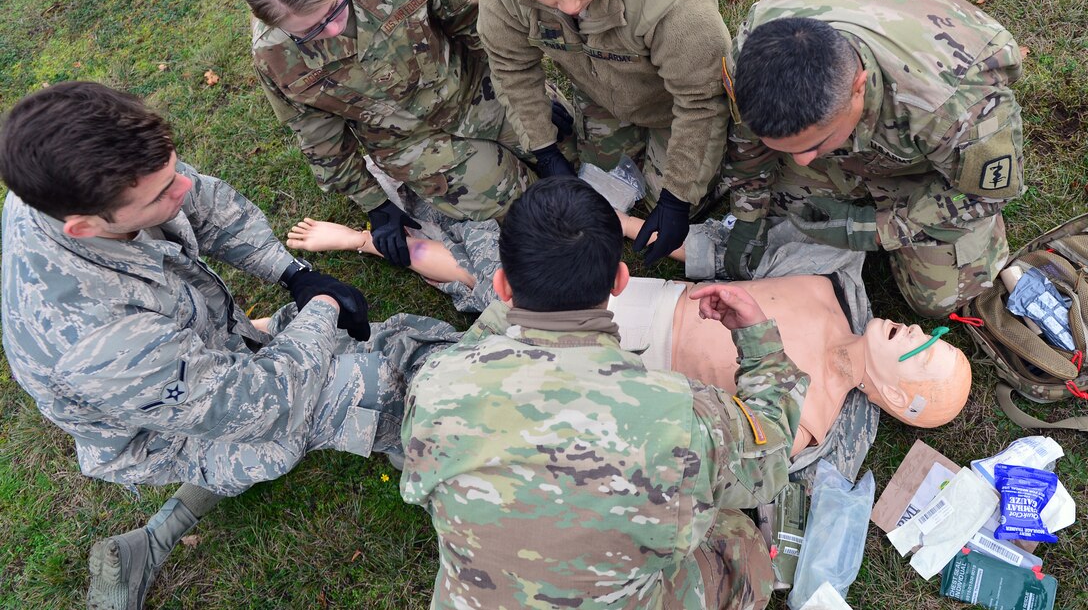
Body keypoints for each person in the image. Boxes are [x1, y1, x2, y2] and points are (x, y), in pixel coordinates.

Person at [0, 83, 459, 610]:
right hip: (159, 433)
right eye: (160, 194)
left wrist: (295, 274)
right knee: (365, 386)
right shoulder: (96, 342)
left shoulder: (77, 169)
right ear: (84, 228)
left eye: (174, 169)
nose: (181, 189)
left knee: (336, 348)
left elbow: (209, 207)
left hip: (194, 356)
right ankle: (436, 454)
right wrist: (323, 309)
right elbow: (264, 401)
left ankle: (157, 536)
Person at [399, 177, 807, 609]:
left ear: (501, 288)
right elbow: (769, 463)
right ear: (620, 280)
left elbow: (472, 354)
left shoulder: (435, 384)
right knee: (737, 540)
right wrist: (758, 342)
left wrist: (526, 293)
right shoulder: (684, 417)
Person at [288, 217, 972, 457]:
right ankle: (356, 244)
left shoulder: (805, 419)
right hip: (642, 300)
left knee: (454, 370)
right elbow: (713, 249)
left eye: (920, 349)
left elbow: (682, 437)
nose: (913, 329)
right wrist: (621, 220)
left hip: (621, 374)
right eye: (930, 333)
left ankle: (312, 337)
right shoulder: (827, 284)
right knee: (494, 276)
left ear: (901, 398)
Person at [232, 0, 569, 269]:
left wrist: (523, 98)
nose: (332, 29)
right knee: (522, 206)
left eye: (334, 8)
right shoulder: (272, 55)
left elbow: (477, 23)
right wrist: (375, 204)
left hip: (473, 86)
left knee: (567, 148)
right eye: (310, 32)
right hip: (409, 141)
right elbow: (319, 136)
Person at [719, 0, 1024, 317]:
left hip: (926, 161)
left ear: (859, 87)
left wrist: (871, 230)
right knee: (784, 214)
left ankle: (982, 243)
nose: (801, 162)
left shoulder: (954, 107)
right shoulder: (752, 52)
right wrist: (748, 213)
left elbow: (984, 194)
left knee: (938, 300)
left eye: (815, 144)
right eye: (788, 147)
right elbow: (746, 136)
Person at [477, 0, 734, 265]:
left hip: (673, 105)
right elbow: (510, 66)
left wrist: (678, 198)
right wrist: (544, 150)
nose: (568, 6)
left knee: (660, 202)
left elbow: (702, 99)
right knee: (593, 186)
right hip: (600, 92)